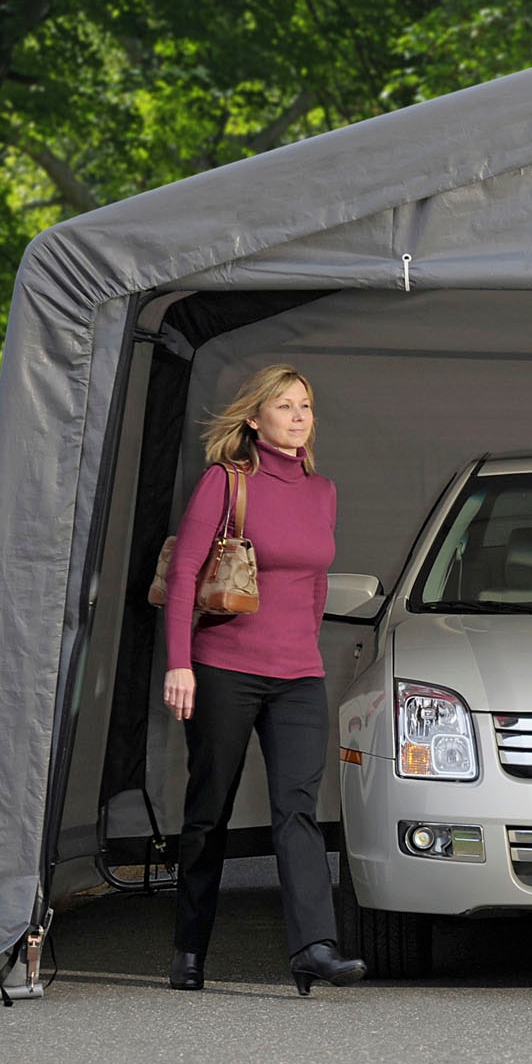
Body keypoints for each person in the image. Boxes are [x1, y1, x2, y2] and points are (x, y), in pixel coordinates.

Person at [160, 364, 366, 995]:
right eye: (285, 406)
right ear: (255, 418)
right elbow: (183, 578)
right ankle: (190, 949)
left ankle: (315, 947)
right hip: (224, 669)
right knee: (208, 813)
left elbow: (315, 585)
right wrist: (179, 662)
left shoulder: (323, 491)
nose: (299, 416)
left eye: (306, 405)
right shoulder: (226, 483)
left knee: (298, 811)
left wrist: (307, 651)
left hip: (299, 675)